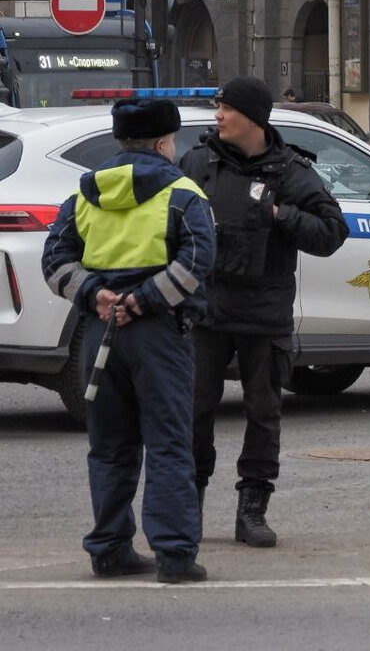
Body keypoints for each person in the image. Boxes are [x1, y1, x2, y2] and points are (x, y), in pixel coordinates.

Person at [42, 98, 215, 584]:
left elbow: (55, 261)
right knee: (168, 443)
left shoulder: (84, 195)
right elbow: (197, 261)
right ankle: (175, 555)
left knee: (110, 445)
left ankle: (110, 548)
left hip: (101, 333)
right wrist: (142, 301)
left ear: (120, 141)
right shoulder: (182, 193)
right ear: (164, 142)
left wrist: (98, 297)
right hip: (158, 333)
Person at [179, 76, 349, 549]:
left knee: (263, 414)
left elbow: (333, 232)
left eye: (225, 108)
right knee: (193, 412)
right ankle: (187, 503)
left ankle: (252, 509)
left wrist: (281, 217)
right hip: (207, 312)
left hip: (263, 314)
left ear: (251, 117)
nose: (217, 116)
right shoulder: (198, 163)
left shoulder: (289, 171)